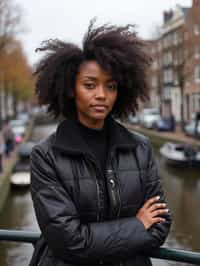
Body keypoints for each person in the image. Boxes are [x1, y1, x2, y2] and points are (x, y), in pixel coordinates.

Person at [30, 20, 172, 266]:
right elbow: (70, 243)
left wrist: (94, 239)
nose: (101, 95)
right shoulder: (45, 156)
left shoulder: (141, 148)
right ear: (71, 89)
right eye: (89, 85)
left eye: (111, 86)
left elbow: (160, 226)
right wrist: (137, 224)